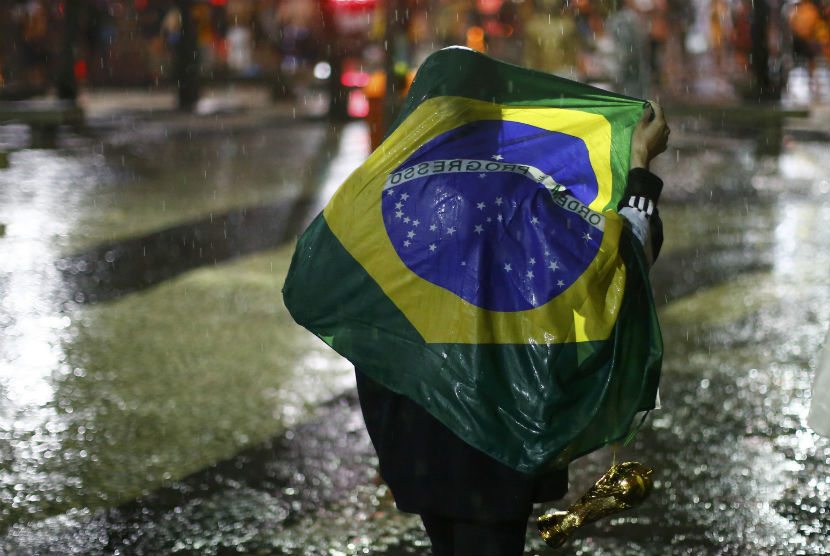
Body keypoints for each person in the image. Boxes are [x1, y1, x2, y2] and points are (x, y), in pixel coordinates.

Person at [355, 103, 671, 556]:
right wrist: (639, 168)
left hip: (414, 437)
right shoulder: (522, 200)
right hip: (499, 440)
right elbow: (622, 262)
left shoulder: (384, 199)